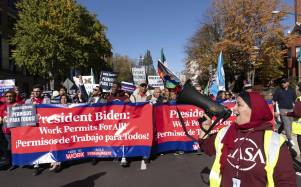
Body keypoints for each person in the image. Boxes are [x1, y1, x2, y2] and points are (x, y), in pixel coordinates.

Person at [199, 91, 296, 186]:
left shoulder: (274, 141)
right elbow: (206, 147)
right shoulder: (225, 132)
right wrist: (205, 127)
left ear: (254, 109)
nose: (234, 109)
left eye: (239, 105)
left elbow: (286, 181)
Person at [25, 84, 50, 176]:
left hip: (44, 125)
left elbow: (50, 110)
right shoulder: (28, 101)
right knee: (35, 145)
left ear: (41, 92)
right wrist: (32, 106)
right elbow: (24, 112)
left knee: (44, 143)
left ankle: (47, 160)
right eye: (34, 91)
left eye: (38, 91)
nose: (36, 93)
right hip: (33, 126)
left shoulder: (46, 100)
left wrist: (40, 106)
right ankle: (36, 165)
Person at [273, 78, 296, 145]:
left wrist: (295, 109)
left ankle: (278, 133)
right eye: (282, 82)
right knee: (287, 124)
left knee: (289, 124)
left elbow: (295, 101)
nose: (282, 84)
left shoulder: (292, 91)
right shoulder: (278, 91)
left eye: (284, 82)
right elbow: (273, 102)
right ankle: (290, 139)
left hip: (291, 109)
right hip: (282, 109)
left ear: (288, 83)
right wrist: (275, 111)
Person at [0, 90, 18, 170]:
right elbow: (0, 118)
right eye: (7, 96)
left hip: (17, 130)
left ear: (14, 97)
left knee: (18, 146)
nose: (8, 98)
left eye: (10, 96)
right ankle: (12, 163)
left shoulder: (19, 105)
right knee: (9, 147)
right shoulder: (2, 107)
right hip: (6, 131)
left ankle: (18, 161)